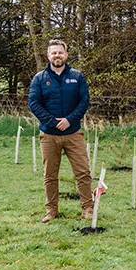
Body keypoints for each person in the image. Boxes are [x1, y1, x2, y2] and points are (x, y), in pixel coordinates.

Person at [28, 39, 93, 223]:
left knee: (83, 172)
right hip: (49, 135)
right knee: (50, 175)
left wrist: (69, 120)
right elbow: (33, 103)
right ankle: (51, 210)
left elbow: (84, 101)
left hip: (73, 133)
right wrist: (52, 122)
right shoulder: (39, 79)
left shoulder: (77, 77)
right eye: (53, 52)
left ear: (66, 55)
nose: (57, 55)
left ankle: (88, 208)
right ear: (48, 56)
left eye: (60, 52)